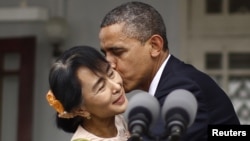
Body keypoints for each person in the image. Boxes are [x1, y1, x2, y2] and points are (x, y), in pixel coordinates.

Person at [99, 1, 240, 141]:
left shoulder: (182, 89)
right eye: (105, 54)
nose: (109, 64)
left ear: (155, 46)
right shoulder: (172, 82)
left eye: (117, 51)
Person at [46, 46, 130, 141]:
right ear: (79, 109)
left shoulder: (121, 121)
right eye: (101, 87)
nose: (117, 87)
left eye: (111, 73)